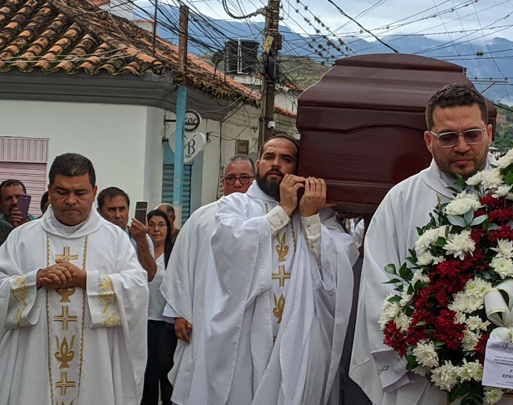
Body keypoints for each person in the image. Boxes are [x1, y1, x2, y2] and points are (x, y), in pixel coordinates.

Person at [350, 84, 513, 405]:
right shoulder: (400, 202)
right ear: (429, 141)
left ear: (490, 133)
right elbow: (380, 295)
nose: (461, 146)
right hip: (428, 382)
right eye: (447, 137)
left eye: (471, 134)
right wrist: (439, 362)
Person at [187, 135, 358, 405]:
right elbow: (230, 248)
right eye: (269, 157)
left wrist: (310, 217)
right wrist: (284, 209)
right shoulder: (237, 205)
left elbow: (339, 264)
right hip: (245, 336)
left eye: (286, 159)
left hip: (297, 335)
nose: (276, 164)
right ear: (258, 164)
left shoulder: (315, 212)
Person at [0, 153, 148, 404]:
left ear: (94, 191)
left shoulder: (115, 238)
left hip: (96, 363)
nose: (70, 201)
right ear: (49, 190)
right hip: (33, 364)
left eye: (80, 193)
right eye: (61, 192)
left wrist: (86, 281)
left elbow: (137, 289)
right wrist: (35, 279)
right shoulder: (21, 237)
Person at [160, 154, 255, 405]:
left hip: (248, 319)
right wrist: (179, 312)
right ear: (222, 182)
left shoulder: (264, 218)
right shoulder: (202, 218)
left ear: (254, 180)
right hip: (202, 316)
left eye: (244, 178)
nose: (237, 183)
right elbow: (180, 267)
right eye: (231, 178)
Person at [141, 210, 175, 405]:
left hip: (166, 322)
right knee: (148, 372)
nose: (156, 229)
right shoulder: (139, 251)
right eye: (151, 224)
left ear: (168, 227)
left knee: (166, 369)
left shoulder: (173, 253)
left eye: (161, 225)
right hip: (144, 320)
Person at [97, 187, 157, 280]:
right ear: (99, 212)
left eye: (122, 209)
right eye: (112, 210)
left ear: (128, 210)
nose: (117, 215)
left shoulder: (141, 238)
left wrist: (141, 241)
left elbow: (149, 275)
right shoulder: (94, 238)